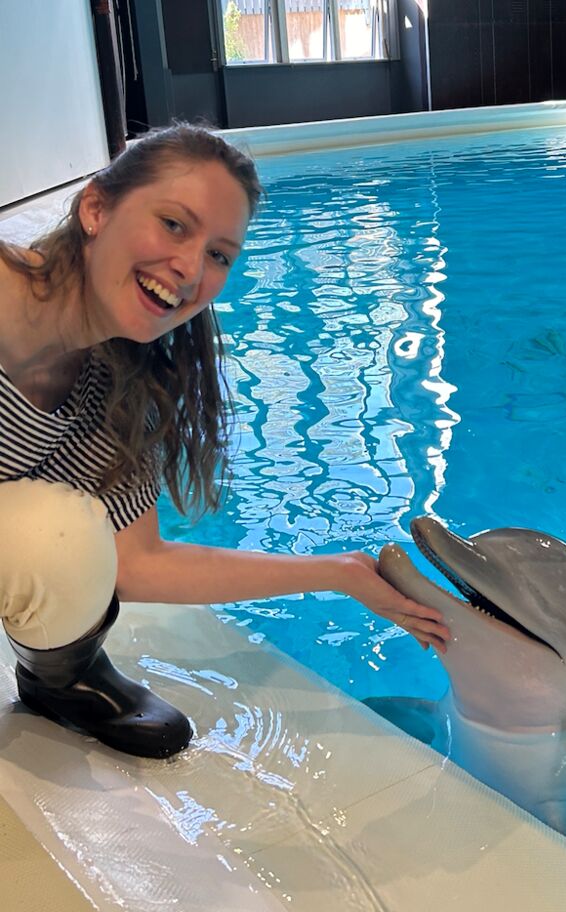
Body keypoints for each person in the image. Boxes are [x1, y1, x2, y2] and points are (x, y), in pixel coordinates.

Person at [0, 124, 450, 759]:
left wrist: (341, 573)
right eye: (174, 225)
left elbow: (134, 562)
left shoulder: (112, 382)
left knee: (59, 537)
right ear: (96, 208)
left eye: (219, 255)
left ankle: (61, 683)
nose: (189, 268)